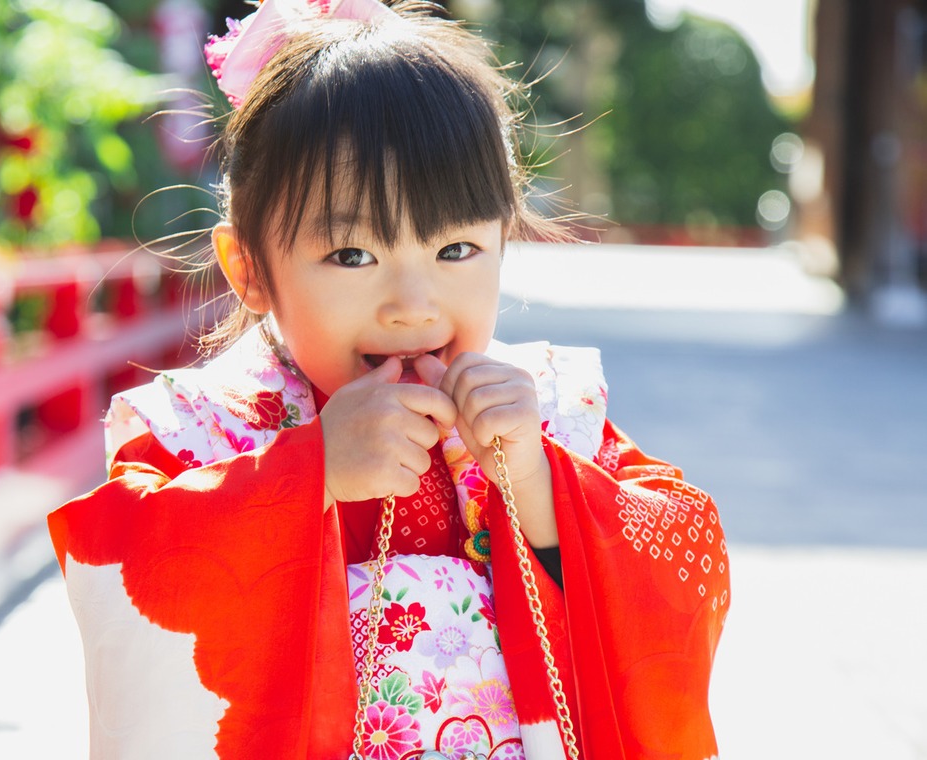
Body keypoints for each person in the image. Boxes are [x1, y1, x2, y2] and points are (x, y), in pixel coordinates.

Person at [48, 0, 730, 757]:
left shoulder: (548, 408)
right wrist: (308, 474)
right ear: (249, 268)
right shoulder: (201, 429)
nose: (412, 306)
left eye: (457, 250)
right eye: (352, 257)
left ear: (507, 237)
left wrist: (538, 485)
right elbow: (127, 579)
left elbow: (681, 566)